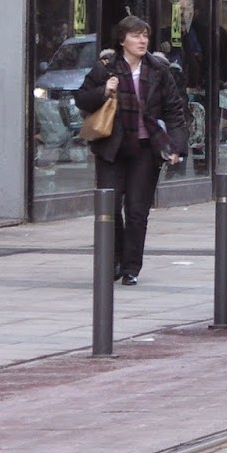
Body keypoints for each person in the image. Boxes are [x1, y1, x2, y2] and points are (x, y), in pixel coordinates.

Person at [75, 15, 189, 286]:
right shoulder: (106, 67)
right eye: (137, 36)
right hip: (111, 150)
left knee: (137, 211)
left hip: (145, 150)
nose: (142, 41)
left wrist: (175, 146)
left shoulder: (159, 70)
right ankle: (113, 260)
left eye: (145, 36)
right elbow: (81, 100)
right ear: (122, 39)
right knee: (110, 208)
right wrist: (104, 90)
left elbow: (175, 111)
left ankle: (131, 267)